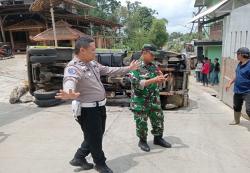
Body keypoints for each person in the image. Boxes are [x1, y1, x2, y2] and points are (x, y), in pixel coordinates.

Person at [56, 36, 139, 173]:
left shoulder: (92, 63)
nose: (95, 53)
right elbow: (70, 80)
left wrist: (128, 68)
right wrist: (68, 93)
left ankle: (79, 157)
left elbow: (108, 70)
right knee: (95, 138)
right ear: (82, 50)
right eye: (93, 50)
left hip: (99, 107)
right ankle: (100, 164)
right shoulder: (73, 67)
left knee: (95, 135)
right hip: (88, 111)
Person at [128, 44, 172, 152]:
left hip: (154, 100)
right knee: (141, 122)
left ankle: (158, 138)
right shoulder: (135, 66)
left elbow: (158, 77)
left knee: (158, 119)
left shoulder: (154, 66)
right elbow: (136, 83)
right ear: (144, 53)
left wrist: (162, 79)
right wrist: (154, 80)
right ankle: (142, 141)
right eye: (152, 55)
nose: (153, 57)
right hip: (140, 101)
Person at [226, 47, 250, 125]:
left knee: (249, 109)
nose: (236, 55)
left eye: (237, 54)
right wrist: (230, 82)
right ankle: (236, 120)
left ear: (242, 55)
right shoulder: (239, 64)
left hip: (248, 91)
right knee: (236, 106)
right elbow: (237, 75)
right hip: (237, 90)